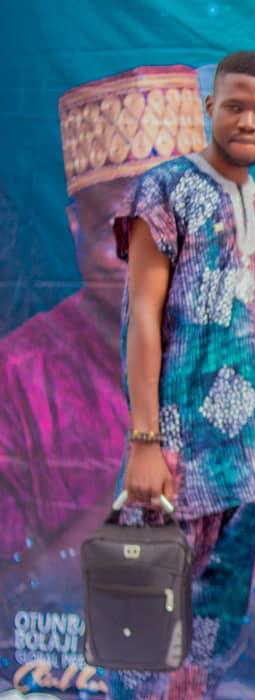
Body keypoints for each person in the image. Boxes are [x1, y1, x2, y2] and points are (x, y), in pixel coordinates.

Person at [106, 51, 255, 700]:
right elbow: (142, 319)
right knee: (142, 638)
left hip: (243, 467)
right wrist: (145, 441)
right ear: (209, 108)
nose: (247, 121)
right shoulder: (163, 189)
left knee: (213, 638)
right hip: (174, 457)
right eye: (234, 106)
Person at [0, 66, 206, 563]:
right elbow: (13, 583)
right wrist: (133, 497)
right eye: (119, 233)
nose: (150, 261)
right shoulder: (17, 375)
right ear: (75, 229)